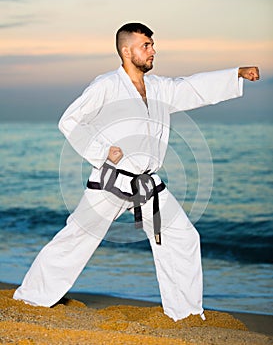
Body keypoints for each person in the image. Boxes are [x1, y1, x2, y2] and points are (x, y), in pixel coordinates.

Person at [13, 23, 259, 321]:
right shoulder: (106, 85)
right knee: (76, 238)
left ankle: (186, 314)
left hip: (147, 185)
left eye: (152, 44)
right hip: (111, 182)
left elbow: (191, 87)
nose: (153, 50)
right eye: (146, 45)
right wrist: (102, 150)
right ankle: (31, 299)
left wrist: (235, 73)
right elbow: (70, 120)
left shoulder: (159, 88)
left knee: (183, 237)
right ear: (127, 51)